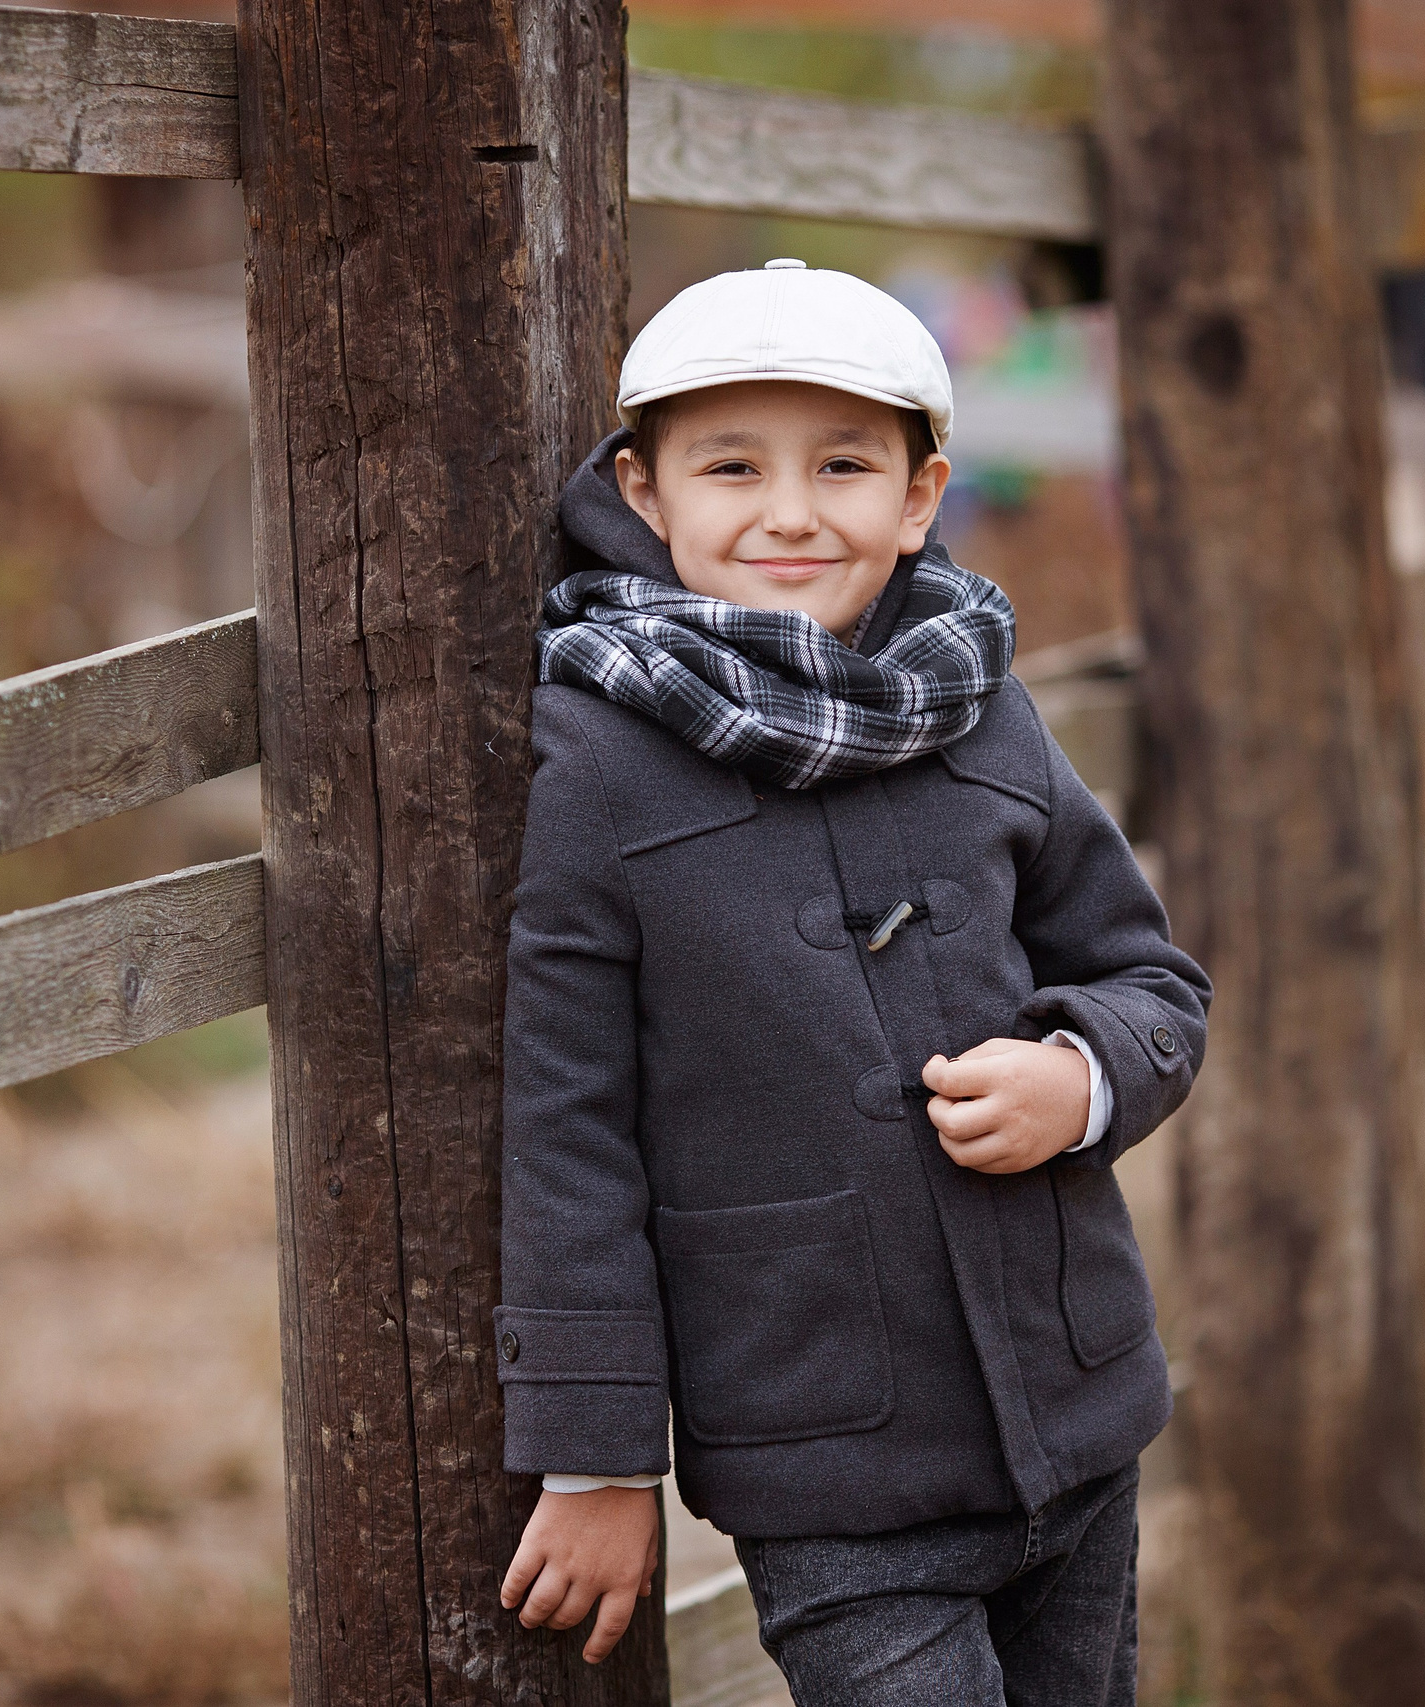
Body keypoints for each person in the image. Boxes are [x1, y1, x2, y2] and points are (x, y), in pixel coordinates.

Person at [493, 259, 1211, 1707]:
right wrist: (597, 1455)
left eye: (843, 465)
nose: (791, 511)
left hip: (1074, 1411)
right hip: (827, 1455)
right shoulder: (603, 758)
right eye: (732, 465)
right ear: (646, 491)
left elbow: (1145, 972)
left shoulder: (984, 707)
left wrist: (1079, 1082)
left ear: (921, 494)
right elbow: (567, 1127)